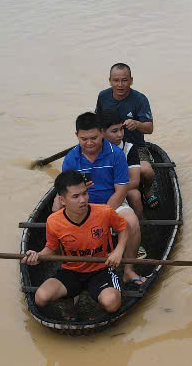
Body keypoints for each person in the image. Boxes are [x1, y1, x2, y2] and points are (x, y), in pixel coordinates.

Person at [59, 111, 145, 284]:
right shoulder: (71, 159)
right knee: (56, 210)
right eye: (84, 139)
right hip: (82, 203)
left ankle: (128, 270)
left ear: (101, 133)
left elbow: (121, 191)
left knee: (132, 221)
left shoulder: (116, 154)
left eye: (94, 138)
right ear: (77, 136)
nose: (89, 143)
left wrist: (102, 215)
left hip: (113, 202)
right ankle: (72, 265)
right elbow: (66, 192)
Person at [24, 171, 127, 312]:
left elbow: (123, 227)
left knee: (111, 303)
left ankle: (99, 300)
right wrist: (37, 256)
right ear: (62, 200)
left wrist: (118, 250)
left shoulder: (104, 212)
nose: (83, 200)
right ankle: (70, 298)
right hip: (71, 271)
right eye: (75, 196)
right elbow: (51, 249)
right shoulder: (53, 221)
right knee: (41, 298)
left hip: (101, 269)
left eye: (85, 193)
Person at [96, 63, 157, 207]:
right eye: (116, 80)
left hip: (135, 146)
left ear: (131, 80)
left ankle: (147, 190)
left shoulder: (140, 99)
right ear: (110, 81)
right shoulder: (103, 96)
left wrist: (137, 124)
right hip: (108, 145)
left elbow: (149, 129)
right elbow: (97, 123)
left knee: (147, 171)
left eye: (124, 80)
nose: (120, 85)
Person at [101, 111, 143, 220]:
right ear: (102, 132)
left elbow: (134, 181)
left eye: (121, 129)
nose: (120, 134)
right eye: (114, 131)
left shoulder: (129, 148)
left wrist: (116, 190)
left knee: (135, 195)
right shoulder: (93, 149)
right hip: (102, 188)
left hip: (122, 186)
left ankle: (138, 223)